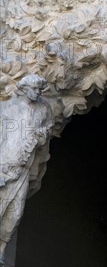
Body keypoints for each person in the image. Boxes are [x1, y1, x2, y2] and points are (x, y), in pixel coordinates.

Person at [0, 76, 53, 264]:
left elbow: (45, 137)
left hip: (23, 169)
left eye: (41, 89)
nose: (39, 92)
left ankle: (1, 249)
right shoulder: (6, 108)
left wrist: (42, 138)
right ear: (24, 88)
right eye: (35, 88)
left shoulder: (44, 109)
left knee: (15, 213)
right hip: (4, 167)